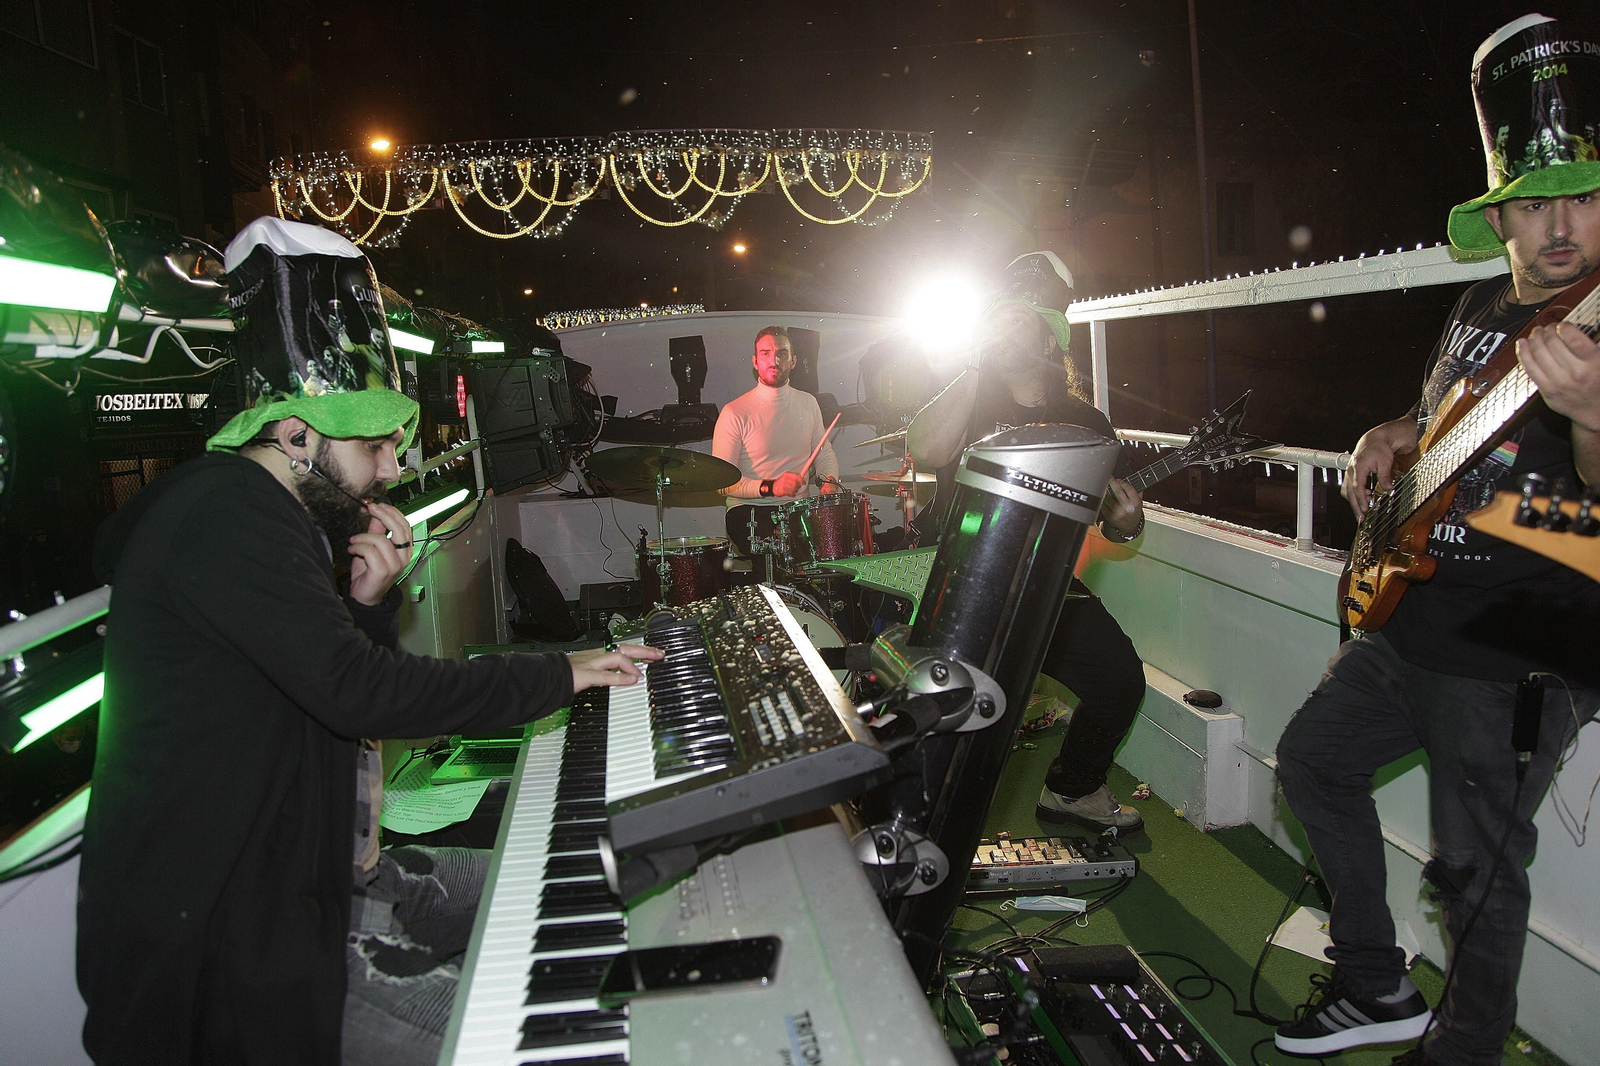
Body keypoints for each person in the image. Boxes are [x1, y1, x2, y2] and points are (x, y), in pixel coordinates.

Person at [74, 218, 661, 1066]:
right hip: (240, 941)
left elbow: (317, 695)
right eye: (375, 444)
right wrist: (559, 673)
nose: (392, 468)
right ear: (297, 435)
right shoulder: (222, 516)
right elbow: (358, 690)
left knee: (586, 869)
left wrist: (370, 602)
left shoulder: (277, 518)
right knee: (527, 1044)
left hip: (329, 880)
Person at [1273, 16, 1600, 1064]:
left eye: (1584, 195)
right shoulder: (1479, 302)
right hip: (1410, 615)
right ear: (1498, 219)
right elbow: (1440, 416)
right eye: (1534, 201)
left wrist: (1590, 414)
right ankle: (1374, 982)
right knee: (1310, 762)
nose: (1559, 224)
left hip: (1520, 650)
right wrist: (1393, 427)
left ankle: (1461, 1049)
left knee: (1472, 875)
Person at [908, 251, 1148, 835]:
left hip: (1042, 580)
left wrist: (1128, 521)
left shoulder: (1089, 424)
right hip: (957, 575)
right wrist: (971, 368)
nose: (999, 330)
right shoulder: (969, 398)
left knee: (1119, 681)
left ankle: (1072, 789)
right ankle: (913, 815)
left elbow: (1111, 523)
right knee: (950, 708)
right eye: (995, 320)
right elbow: (928, 451)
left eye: (1014, 321)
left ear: (1048, 341)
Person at [713, 326, 841, 566]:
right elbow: (723, 483)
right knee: (776, 560)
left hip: (797, 508)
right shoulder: (734, 412)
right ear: (755, 362)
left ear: (793, 361)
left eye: (782, 353)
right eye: (765, 353)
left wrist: (829, 482)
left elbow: (823, 453)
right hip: (749, 511)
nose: (774, 360)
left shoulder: (808, 403)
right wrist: (772, 487)